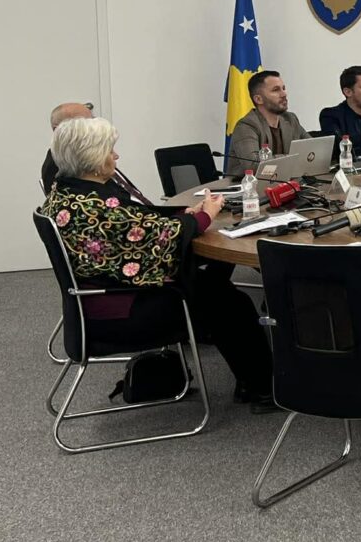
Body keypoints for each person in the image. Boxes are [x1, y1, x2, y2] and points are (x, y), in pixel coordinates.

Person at [41, 117, 274, 409]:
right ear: (92, 159)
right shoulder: (93, 208)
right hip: (121, 309)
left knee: (214, 287)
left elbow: (135, 223)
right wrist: (204, 216)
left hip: (101, 297)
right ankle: (264, 389)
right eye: (109, 150)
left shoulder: (69, 192)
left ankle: (254, 381)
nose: (116, 156)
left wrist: (186, 214)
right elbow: (150, 238)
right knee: (227, 301)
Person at [42, 101, 153, 204]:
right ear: (58, 130)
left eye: (92, 120)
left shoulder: (96, 156)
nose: (93, 127)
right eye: (84, 124)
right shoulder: (61, 165)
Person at [226, 70, 309, 176]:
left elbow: (312, 149)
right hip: (248, 184)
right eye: (276, 90)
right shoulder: (246, 126)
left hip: (284, 181)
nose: (284, 94)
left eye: (283, 88)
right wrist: (292, 158)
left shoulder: (290, 119)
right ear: (258, 99)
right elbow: (254, 166)